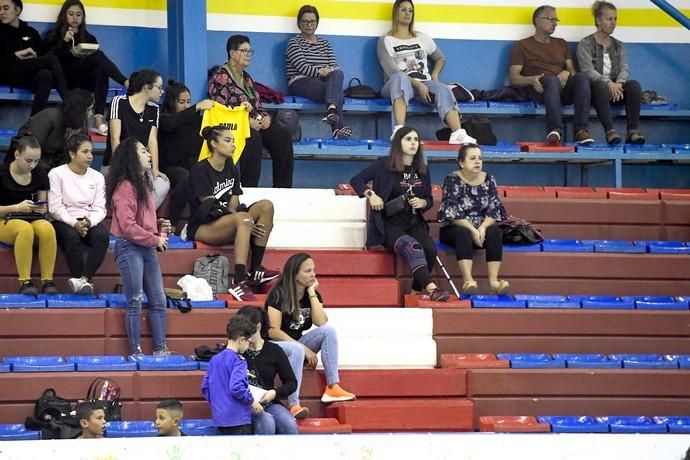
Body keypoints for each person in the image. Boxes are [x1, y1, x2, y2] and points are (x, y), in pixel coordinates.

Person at [351, 125, 449, 301]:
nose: (413, 143)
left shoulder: (422, 169)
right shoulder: (383, 165)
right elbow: (356, 180)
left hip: (413, 221)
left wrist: (423, 202)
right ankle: (432, 289)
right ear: (398, 143)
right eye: (408, 139)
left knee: (430, 249)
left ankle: (414, 293)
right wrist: (371, 194)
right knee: (412, 246)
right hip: (389, 223)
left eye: (416, 140)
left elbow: (429, 199)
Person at [188, 125, 279, 302]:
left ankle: (255, 270)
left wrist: (241, 222)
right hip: (204, 225)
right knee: (244, 219)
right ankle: (238, 281)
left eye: (233, 141)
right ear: (214, 144)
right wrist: (242, 222)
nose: (233, 145)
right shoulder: (199, 170)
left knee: (266, 206)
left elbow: (234, 203)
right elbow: (209, 208)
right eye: (228, 141)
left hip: (229, 221)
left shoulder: (231, 167)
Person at [266, 252, 356, 419]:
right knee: (297, 350)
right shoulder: (278, 293)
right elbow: (273, 330)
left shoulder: (311, 294)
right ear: (295, 274)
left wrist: (312, 293)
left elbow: (321, 322)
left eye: (313, 270)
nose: (313, 274)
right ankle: (294, 405)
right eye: (307, 271)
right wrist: (304, 348)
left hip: (296, 342)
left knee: (329, 331)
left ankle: (332, 386)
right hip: (273, 345)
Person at [377, 0, 475, 144]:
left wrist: (435, 75)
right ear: (395, 12)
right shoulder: (386, 40)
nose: (407, 13)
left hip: (425, 83)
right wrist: (418, 85)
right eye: (403, 10)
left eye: (410, 10)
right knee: (399, 78)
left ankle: (457, 133)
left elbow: (440, 58)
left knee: (442, 88)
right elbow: (392, 71)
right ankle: (399, 130)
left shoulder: (422, 38)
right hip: (398, 85)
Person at [106, 137, 171, 356]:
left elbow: (145, 221)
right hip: (129, 246)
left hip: (146, 247)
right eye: (144, 152)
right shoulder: (125, 187)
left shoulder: (146, 183)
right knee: (134, 299)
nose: (149, 155)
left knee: (158, 299)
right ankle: (136, 351)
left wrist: (160, 228)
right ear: (131, 157)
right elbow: (127, 227)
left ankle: (161, 349)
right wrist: (155, 239)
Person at [208, 34, 294, 188]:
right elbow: (220, 109)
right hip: (233, 126)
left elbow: (257, 104)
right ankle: (249, 188)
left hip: (256, 122)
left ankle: (283, 188)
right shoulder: (221, 77)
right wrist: (245, 122)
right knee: (253, 138)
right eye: (244, 51)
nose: (248, 55)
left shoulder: (246, 78)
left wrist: (266, 117)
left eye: (250, 51)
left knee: (283, 137)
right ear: (232, 53)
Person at [509, 5, 594, 145]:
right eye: (550, 19)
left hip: (563, 91)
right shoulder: (522, 45)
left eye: (556, 20)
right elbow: (514, 78)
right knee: (551, 80)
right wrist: (531, 80)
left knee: (582, 77)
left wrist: (567, 72)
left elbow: (572, 71)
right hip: (540, 90)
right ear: (537, 21)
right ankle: (554, 130)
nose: (554, 23)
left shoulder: (561, 44)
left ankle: (581, 130)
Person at [43, 0, 129, 135]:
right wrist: (64, 43)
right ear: (64, 15)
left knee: (100, 66)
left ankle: (99, 119)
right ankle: (126, 82)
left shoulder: (89, 37)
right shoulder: (53, 35)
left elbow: (96, 61)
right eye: (71, 14)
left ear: (83, 17)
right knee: (97, 57)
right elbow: (48, 59)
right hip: (63, 79)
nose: (75, 18)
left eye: (78, 15)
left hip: (83, 79)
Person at [437, 144, 509, 295]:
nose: (477, 162)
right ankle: (468, 280)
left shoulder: (489, 179)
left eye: (480, 158)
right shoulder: (452, 179)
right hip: (455, 227)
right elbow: (452, 211)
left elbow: (494, 208)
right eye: (472, 158)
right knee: (463, 233)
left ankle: (494, 282)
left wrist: (482, 228)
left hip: (480, 228)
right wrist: (473, 230)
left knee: (495, 232)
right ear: (461, 162)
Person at [577, 1, 645, 145]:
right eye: (609, 19)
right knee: (601, 85)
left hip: (616, 90)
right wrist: (608, 83)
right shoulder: (585, 44)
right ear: (598, 21)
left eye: (615, 19)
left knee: (634, 86)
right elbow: (587, 70)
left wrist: (619, 83)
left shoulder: (618, 45)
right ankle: (610, 132)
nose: (613, 23)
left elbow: (624, 68)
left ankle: (632, 131)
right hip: (597, 92)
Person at [48, 133, 108, 295]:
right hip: (63, 220)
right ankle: (78, 278)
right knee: (71, 237)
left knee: (102, 236)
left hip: (88, 220)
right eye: (85, 152)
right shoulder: (56, 174)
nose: (90, 156)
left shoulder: (97, 177)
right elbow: (55, 207)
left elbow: (100, 208)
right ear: (72, 154)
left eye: (91, 152)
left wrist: (88, 222)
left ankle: (83, 280)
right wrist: (74, 223)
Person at [103, 69, 170, 209]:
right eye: (159, 87)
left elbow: (152, 140)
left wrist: (155, 169)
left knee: (162, 184)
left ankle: (142, 215)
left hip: (142, 168)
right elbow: (115, 138)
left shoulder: (154, 109)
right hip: (117, 164)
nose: (162, 92)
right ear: (147, 87)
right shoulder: (119, 102)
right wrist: (121, 167)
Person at [0, 134, 58, 295]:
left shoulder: (40, 174)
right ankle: (25, 281)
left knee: (47, 228)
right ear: (17, 155)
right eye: (28, 160)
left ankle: (48, 281)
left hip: (32, 217)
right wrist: (17, 207)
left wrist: (42, 208)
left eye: (36, 161)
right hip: (4, 219)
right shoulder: (2, 173)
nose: (32, 165)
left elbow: (43, 203)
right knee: (24, 229)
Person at [286, 5, 351, 139]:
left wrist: (330, 71)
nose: (309, 25)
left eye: (312, 21)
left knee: (338, 74)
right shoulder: (294, 43)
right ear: (299, 23)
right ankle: (337, 127)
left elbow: (335, 66)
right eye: (305, 21)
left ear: (317, 23)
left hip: (323, 83)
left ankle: (331, 111)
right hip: (300, 82)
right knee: (336, 91)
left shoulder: (324, 43)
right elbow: (302, 67)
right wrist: (323, 72)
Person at [158, 80, 214, 233]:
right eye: (182, 102)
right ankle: (172, 223)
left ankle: (200, 224)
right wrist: (196, 107)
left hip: (190, 165)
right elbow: (173, 123)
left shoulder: (194, 120)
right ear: (171, 102)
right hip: (168, 168)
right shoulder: (163, 118)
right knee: (186, 178)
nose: (186, 105)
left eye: (189, 102)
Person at [237, 306, 300, 434]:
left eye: (248, 331)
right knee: (266, 422)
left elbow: (291, 383)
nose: (245, 335)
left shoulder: (274, 350)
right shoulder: (237, 348)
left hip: (269, 401)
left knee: (289, 425)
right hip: (244, 403)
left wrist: (274, 393)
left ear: (258, 327)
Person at [0, 0, 68, 115]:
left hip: (26, 74)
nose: (1, 12)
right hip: (6, 72)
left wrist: (34, 58)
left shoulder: (31, 32)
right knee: (50, 60)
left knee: (46, 75)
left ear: (17, 10)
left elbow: (43, 55)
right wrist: (16, 55)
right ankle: (68, 102)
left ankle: (33, 124)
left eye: (6, 8)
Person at [201, 314, 264, 435]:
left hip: (220, 417)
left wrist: (218, 404)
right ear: (242, 340)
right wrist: (251, 401)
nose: (248, 346)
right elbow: (236, 387)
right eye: (248, 342)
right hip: (238, 418)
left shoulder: (215, 359)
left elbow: (205, 386)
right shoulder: (239, 361)